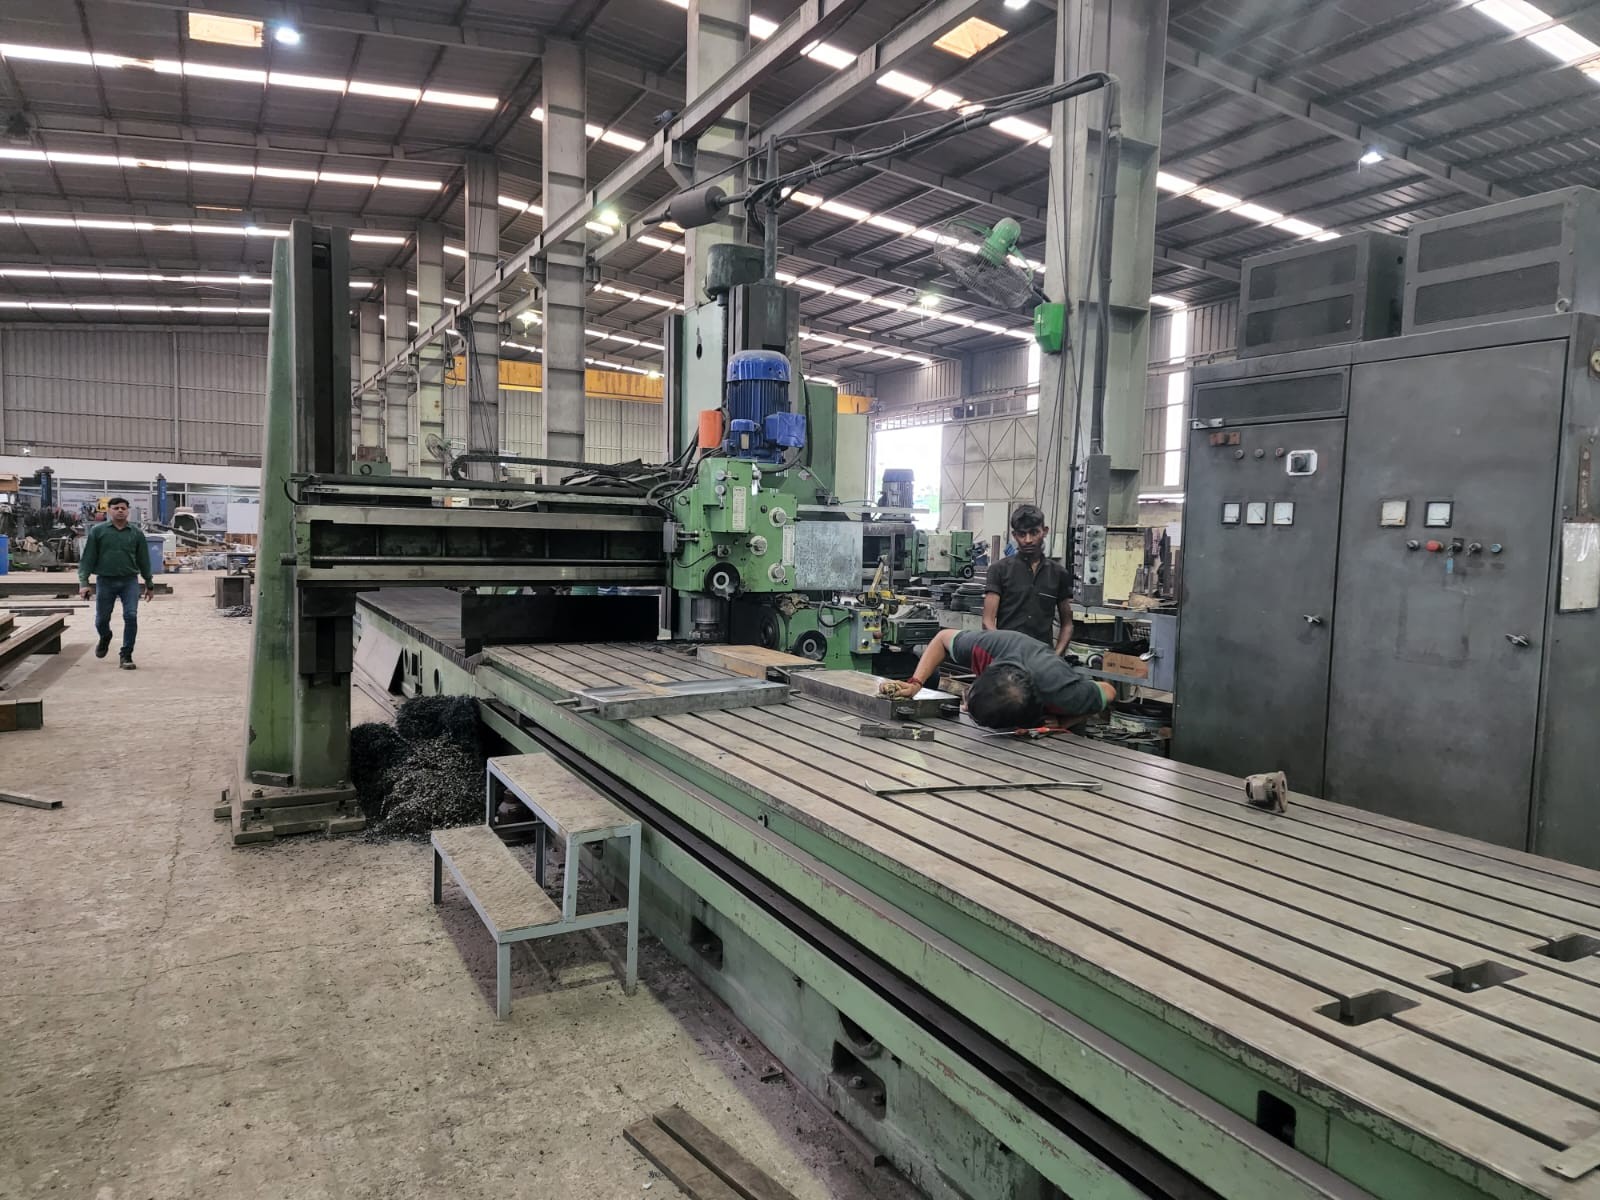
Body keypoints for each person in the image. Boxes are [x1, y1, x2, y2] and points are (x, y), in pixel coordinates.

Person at [883, 628, 1114, 730]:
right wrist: (916, 683)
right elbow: (942, 639)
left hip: (1056, 720)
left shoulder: (1064, 693)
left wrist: (1063, 723)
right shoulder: (987, 648)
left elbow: (1108, 690)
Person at [984, 504, 1073, 654]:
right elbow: (987, 621)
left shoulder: (1059, 574)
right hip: (1007, 656)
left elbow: (1067, 624)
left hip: (1043, 658)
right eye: (1022, 534)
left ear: (1045, 531)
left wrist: (1055, 657)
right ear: (1014, 535)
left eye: (1034, 532)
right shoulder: (999, 570)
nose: (1028, 540)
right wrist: (1001, 651)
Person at [77, 497, 154, 670]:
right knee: (101, 619)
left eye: (123, 508)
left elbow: (144, 560)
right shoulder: (98, 532)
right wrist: (84, 582)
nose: (120, 510)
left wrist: (149, 584)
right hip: (105, 581)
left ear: (128, 511)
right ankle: (105, 636)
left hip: (129, 581)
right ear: (109, 510)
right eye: (116, 508)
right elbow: (88, 558)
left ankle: (126, 655)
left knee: (131, 616)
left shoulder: (136, 533)